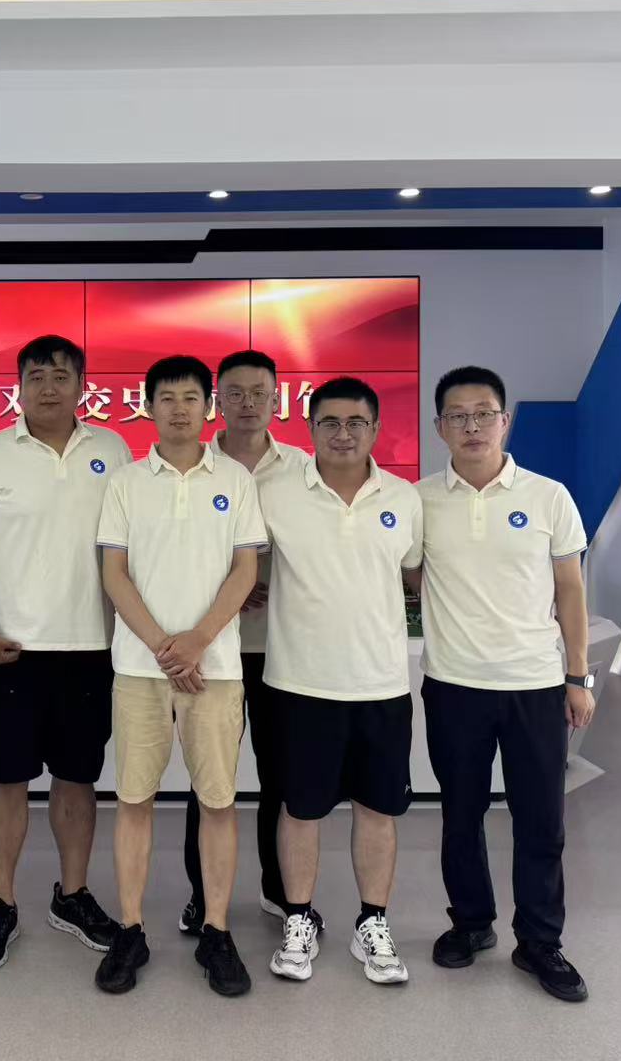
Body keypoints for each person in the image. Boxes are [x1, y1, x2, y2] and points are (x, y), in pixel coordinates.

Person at [0, 334, 130, 969]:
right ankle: (2, 903)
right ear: (18, 386)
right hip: (11, 649)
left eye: (61, 375)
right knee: (6, 779)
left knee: (78, 777)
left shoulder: (113, 450)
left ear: (82, 385)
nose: (48, 386)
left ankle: (71, 895)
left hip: (90, 646)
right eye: (36, 376)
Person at [416, 365, 593, 1003]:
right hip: (454, 685)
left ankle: (540, 941)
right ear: (440, 427)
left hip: (534, 685)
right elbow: (404, 574)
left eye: (484, 413)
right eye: (458, 416)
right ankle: (470, 923)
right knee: (459, 815)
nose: (472, 426)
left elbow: (570, 591)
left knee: (541, 820)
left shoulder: (549, 497)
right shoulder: (418, 501)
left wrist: (577, 676)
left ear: (505, 420)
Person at [93, 355, 267, 998]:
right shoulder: (126, 482)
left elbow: (245, 570)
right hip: (139, 670)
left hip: (215, 670)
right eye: (166, 398)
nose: (179, 408)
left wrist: (196, 643)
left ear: (207, 407)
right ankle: (131, 929)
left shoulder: (236, 481)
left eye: (191, 397)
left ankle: (217, 931)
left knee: (218, 802)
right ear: (148, 407)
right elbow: (115, 574)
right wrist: (166, 648)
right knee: (133, 800)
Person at [261, 377, 422, 987]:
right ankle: (298, 919)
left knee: (377, 809)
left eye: (356, 422)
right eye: (329, 422)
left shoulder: (404, 498)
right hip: (300, 684)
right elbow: (240, 563)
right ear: (310, 428)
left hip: (381, 685)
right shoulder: (274, 493)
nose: (343, 433)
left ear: (376, 429)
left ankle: (372, 923)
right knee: (301, 809)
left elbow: (418, 576)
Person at [180, 349, 297, 936]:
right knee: (209, 779)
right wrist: (229, 589)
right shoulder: (191, 465)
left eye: (259, 392)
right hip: (211, 648)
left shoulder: (303, 469)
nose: (247, 403)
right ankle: (202, 896)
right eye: (235, 393)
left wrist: (264, 581)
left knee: (281, 774)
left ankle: (280, 891)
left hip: (283, 649)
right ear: (216, 401)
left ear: (277, 399)